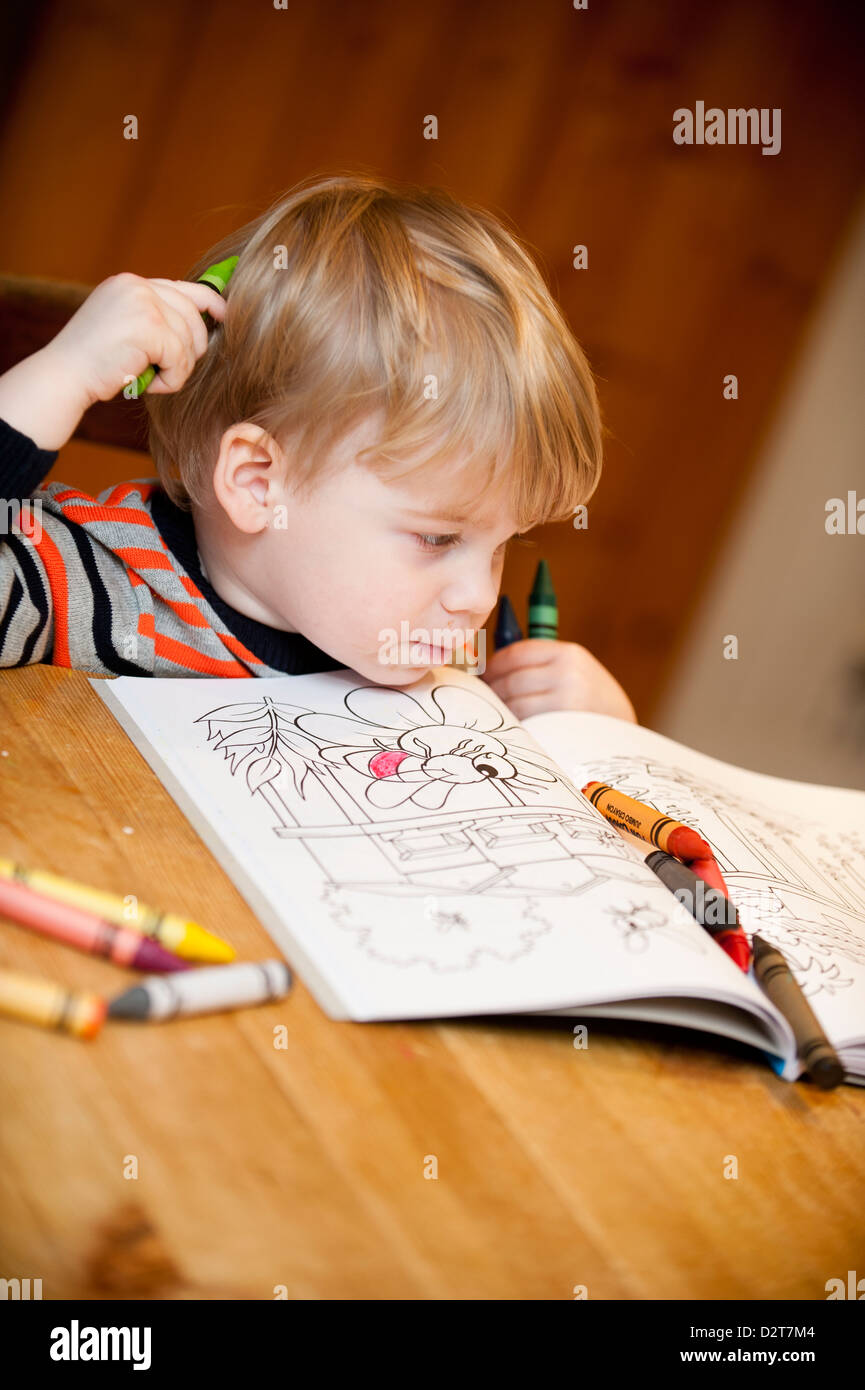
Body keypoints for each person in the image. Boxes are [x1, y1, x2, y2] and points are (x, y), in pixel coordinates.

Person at [0, 173, 636, 723]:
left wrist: (599, 732)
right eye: (438, 539)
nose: (479, 596)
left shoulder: (412, 653)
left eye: (501, 547)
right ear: (258, 483)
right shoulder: (93, 584)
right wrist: (61, 376)